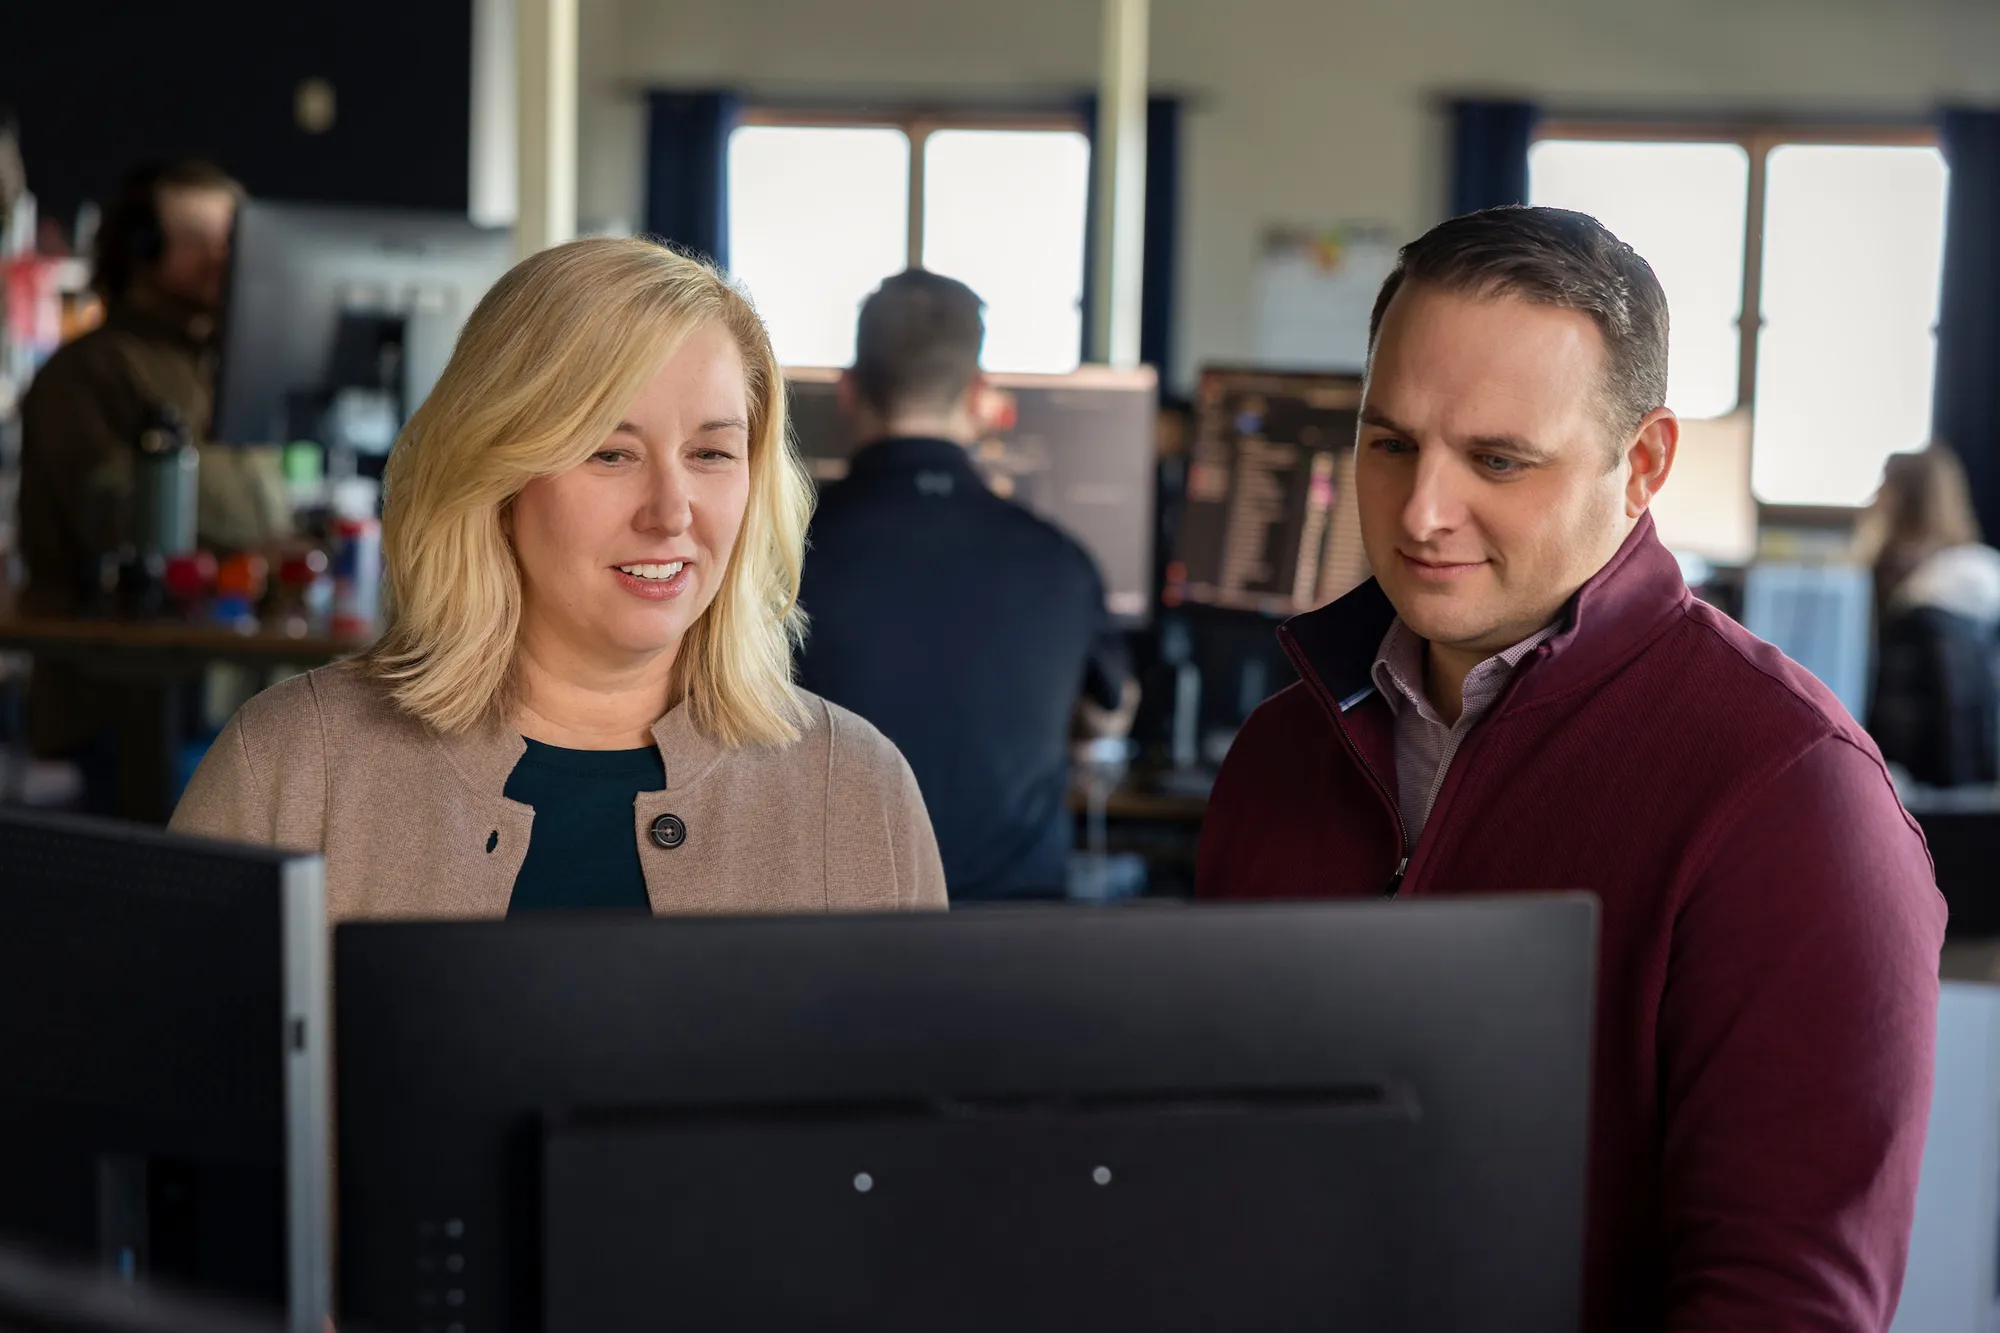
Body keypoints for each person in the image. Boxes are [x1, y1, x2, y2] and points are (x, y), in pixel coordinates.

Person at [1196, 206, 1944, 1331]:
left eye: (1497, 460)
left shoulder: (1790, 794)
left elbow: (1782, 1304)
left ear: (1640, 463)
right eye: (1388, 442)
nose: (1419, 511)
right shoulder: (1277, 752)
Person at [171, 237, 945, 919]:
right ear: (496, 479)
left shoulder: (859, 790)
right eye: (610, 452)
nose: (672, 512)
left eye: (711, 454)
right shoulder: (291, 770)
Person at [793, 269, 1135, 901]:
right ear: (980, 395)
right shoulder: (1060, 561)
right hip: (1008, 952)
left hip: (829, 940)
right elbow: (1109, 716)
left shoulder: (776, 557)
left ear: (847, 391)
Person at [15, 159, 258, 808]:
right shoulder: (89, 370)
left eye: (236, 237)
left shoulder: (222, 367)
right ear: (143, 251)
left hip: (220, 683)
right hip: (117, 698)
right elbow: (124, 509)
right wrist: (263, 493)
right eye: (204, 237)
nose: (227, 256)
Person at [1866, 443, 2000, 787]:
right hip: (1980, 785)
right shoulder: (1983, 571)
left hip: (1913, 781)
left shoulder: (1904, 587)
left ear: (1896, 500)